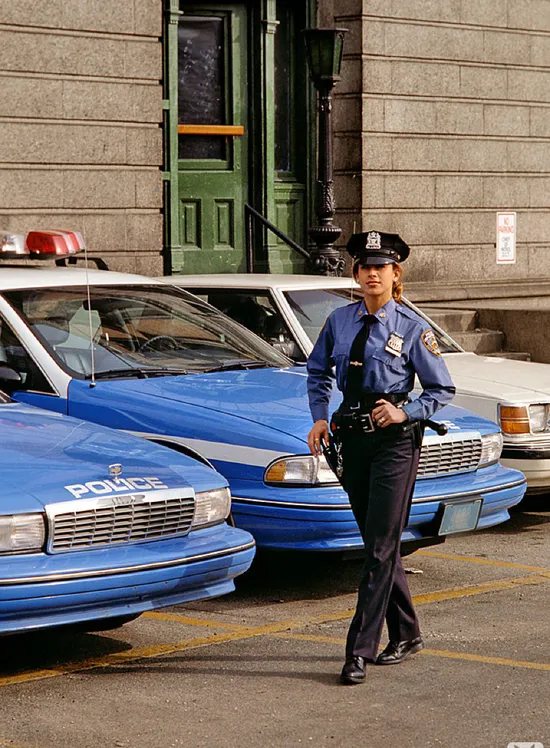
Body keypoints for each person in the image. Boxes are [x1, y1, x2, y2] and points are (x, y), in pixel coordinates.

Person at [306, 230, 456, 685]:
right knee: (379, 544)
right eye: (365, 266)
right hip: (351, 439)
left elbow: (441, 388)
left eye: (381, 267)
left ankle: (358, 651)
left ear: (395, 274)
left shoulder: (411, 327)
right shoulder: (339, 321)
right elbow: (317, 371)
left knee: (378, 549)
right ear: (356, 274)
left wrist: (405, 411)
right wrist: (319, 418)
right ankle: (407, 633)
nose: (372, 273)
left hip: (394, 443)